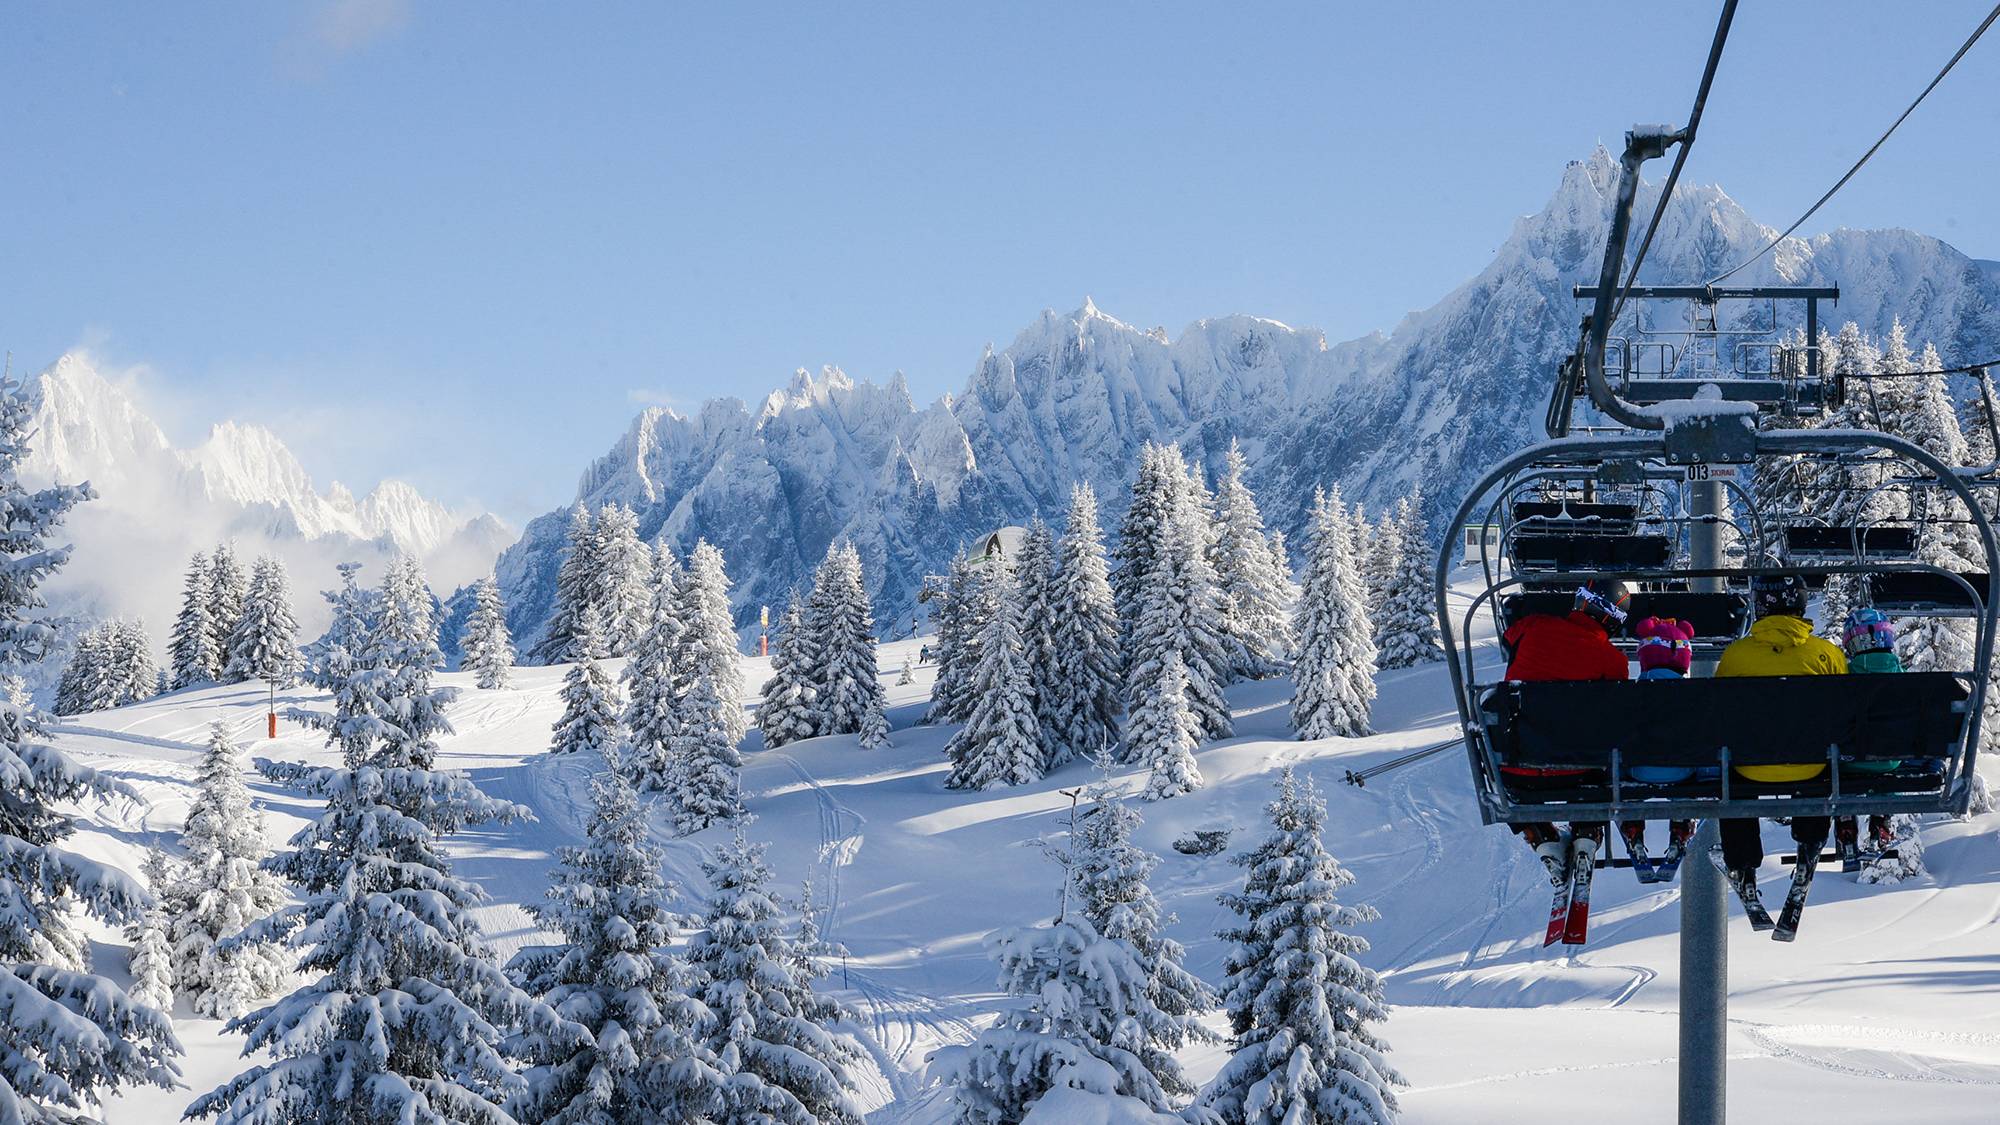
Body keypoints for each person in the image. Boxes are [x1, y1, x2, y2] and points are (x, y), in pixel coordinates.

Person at [1715, 573, 1846, 921]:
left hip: (1750, 768)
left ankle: (1742, 862)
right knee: (1821, 769)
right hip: (1810, 766)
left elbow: (1720, 714)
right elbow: (1844, 714)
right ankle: (1810, 843)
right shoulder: (1826, 654)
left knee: (1732, 785)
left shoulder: (1736, 656)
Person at [1499, 578, 1632, 884]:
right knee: (1599, 762)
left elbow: (1509, 638)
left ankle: (1541, 837)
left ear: (1580, 602)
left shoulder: (1533, 627)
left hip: (1517, 769)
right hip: (1579, 772)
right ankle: (1586, 833)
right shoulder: (1612, 660)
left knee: (1500, 772)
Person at [1619, 616, 1696, 871]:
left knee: (1626, 774)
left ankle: (1633, 830)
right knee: (1687, 774)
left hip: (1638, 772)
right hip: (1683, 772)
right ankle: (1680, 830)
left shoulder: (1631, 695)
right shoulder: (1696, 696)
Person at [1834, 607, 1900, 856]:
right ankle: (1881, 820)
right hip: (1890, 759)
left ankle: (1845, 821)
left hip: (1848, 762)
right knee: (1887, 761)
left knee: (1842, 767)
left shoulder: (1843, 677)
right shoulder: (1903, 678)